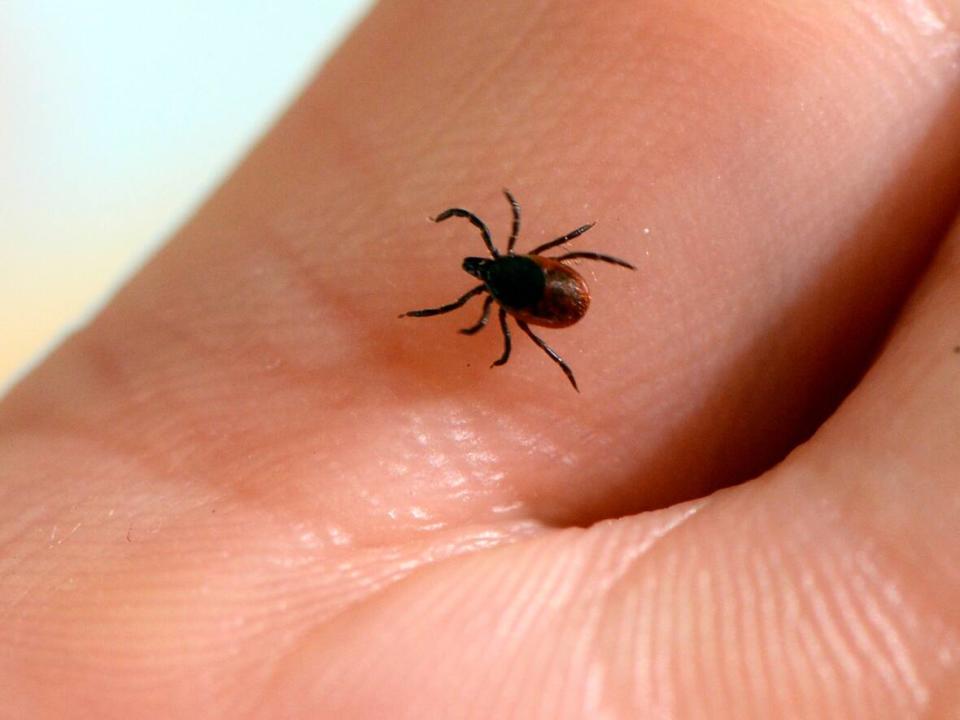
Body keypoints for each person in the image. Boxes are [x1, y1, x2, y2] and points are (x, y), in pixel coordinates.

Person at [1, 1, 959, 717]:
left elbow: (501, 305)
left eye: (483, 257)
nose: (478, 261)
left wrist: (486, 318)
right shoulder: (523, 270)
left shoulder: (512, 290)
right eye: (486, 262)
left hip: (561, 307)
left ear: (508, 266)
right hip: (563, 302)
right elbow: (539, 270)